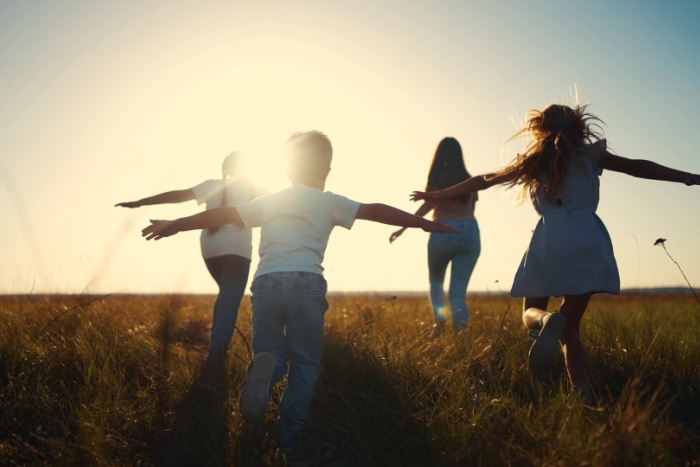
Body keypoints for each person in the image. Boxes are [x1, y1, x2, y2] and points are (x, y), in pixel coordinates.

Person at [141, 130, 458, 453]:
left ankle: (267, 363)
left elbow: (222, 214)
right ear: (327, 171)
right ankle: (290, 431)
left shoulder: (269, 201)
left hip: (265, 284)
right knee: (306, 363)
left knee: (270, 349)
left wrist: (177, 223)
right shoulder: (330, 201)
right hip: (307, 285)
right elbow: (375, 210)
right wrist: (423, 224)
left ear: (288, 169)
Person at [411, 103, 700, 403]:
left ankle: (545, 321)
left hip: (551, 237)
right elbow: (637, 166)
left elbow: (485, 180)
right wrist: (689, 176)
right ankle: (582, 393)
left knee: (529, 314)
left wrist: (436, 194)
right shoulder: (591, 154)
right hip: (588, 236)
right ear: (578, 126)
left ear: (541, 129)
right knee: (570, 328)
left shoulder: (534, 161)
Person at [116, 152, 266, 365]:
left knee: (226, 296)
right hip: (237, 252)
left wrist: (141, 202)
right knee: (229, 301)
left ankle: (217, 350)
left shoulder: (212, 186)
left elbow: (177, 196)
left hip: (210, 251)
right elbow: (283, 203)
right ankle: (215, 358)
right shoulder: (256, 190)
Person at [390, 137, 480, 336]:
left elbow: (423, 210)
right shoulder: (469, 181)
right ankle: (461, 335)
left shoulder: (437, 182)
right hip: (469, 231)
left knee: (436, 282)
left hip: (442, 230)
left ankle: (438, 325)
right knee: (458, 292)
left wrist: (402, 229)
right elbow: (471, 210)